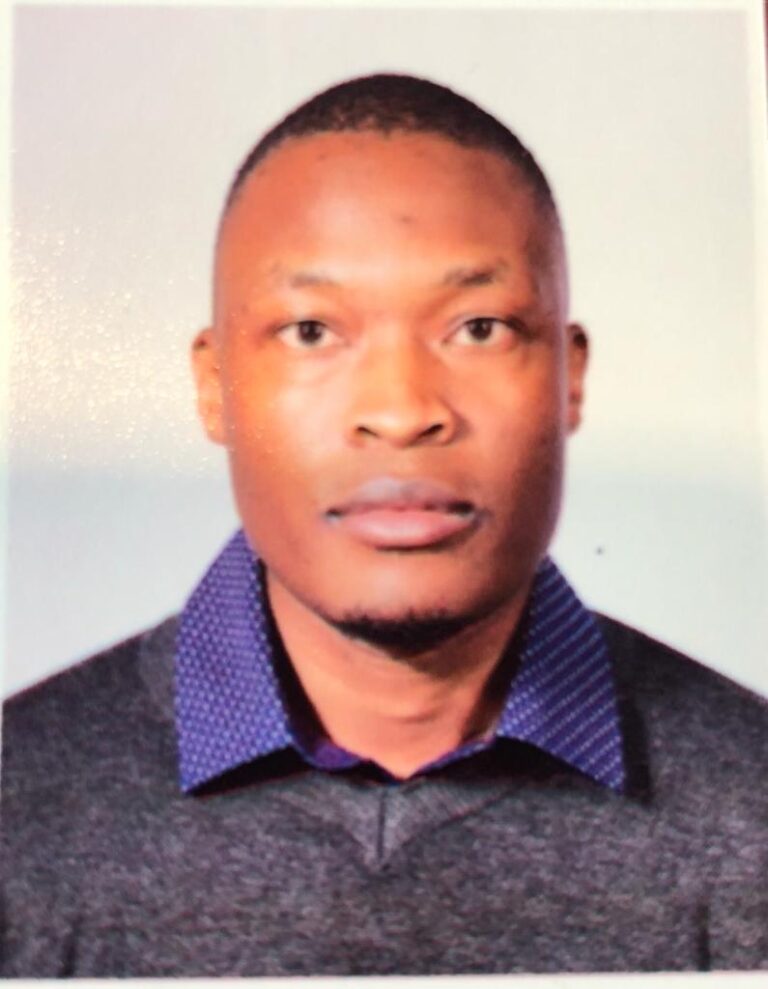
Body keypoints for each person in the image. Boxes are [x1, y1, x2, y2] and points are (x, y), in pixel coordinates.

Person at [2, 73, 766, 978]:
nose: (401, 412)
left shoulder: (750, 807)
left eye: (479, 327)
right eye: (311, 331)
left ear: (570, 377)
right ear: (214, 387)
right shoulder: (21, 808)